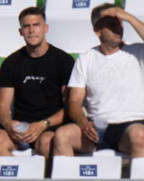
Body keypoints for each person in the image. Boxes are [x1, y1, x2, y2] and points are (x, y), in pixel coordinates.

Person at [52, 4, 144, 158]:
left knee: (140, 136)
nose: (118, 26)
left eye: (119, 22)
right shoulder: (86, 58)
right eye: (111, 23)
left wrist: (127, 17)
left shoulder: (138, 52)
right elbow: (74, 101)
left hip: (132, 124)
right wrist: (83, 123)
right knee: (62, 136)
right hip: (96, 127)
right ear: (97, 30)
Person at [0, 7, 75, 158]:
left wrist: (42, 125)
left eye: (36, 25)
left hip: (50, 125)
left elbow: (70, 107)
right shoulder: (11, 63)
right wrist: (9, 125)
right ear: (20, 31)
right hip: (21, 127)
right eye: (26, 26)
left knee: (46, 142)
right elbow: (3, 107)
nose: (31, 30)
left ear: (45, 28)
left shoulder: (64, 61)